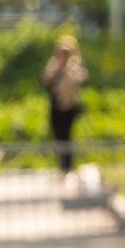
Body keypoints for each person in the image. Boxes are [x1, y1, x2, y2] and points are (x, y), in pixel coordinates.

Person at [42, 34, 89, 175]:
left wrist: (70, 69)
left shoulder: (76, 65)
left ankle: (68, 167)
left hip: (70, 105)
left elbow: (83, 78)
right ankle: (61, 166)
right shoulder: (53, 64)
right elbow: (45, 80)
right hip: (56, 105)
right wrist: (58, 67)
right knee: (58, 135)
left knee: (68, 136)